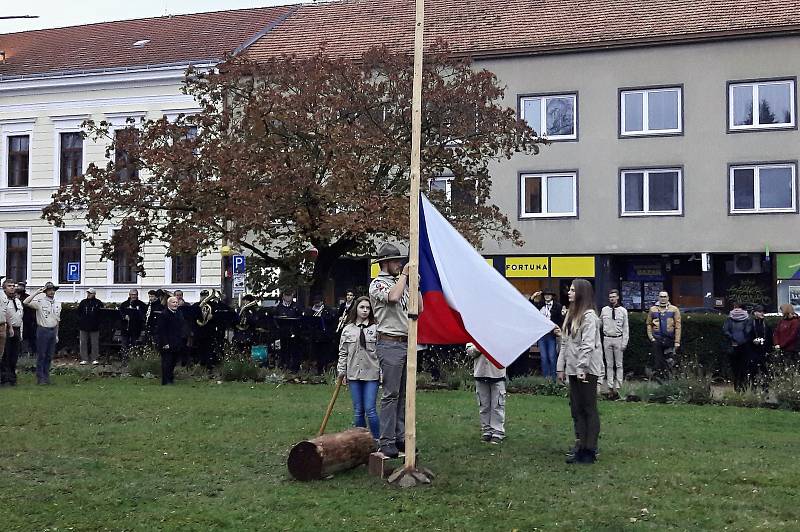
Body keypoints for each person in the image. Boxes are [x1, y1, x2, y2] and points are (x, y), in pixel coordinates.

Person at [369, 243, 422, 458]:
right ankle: (387, 440)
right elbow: (392, 297)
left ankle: (400, 437)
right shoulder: (377, 284)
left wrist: (416, 286)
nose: (400, 265)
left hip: (406, 341)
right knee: (391, 394)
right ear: (385, 263)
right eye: (396, 261)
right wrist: (404, 278)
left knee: (403, 394)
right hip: (389, 342)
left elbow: (419, 309)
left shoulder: (402, 283)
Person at [556, 279, 603, 465]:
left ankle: (589, 449)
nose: (569, 292)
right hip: (574, 369)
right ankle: (580, 444)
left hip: (587, 369)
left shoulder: (589, 316)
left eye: (573, 290)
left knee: (588, 408)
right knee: (576, 408)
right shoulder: (571, 313)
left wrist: (582, 367)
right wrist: (561, 367)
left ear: (582, 293)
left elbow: (588, 344)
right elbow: (565, 343)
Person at [337, 296, 380, 439]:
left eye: (368, 308)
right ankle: (361, 442)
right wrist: (341, 372)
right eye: (362, 307)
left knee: (370, 409)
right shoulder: (348, 329)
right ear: (356, 309)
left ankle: (377, 440)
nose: (365, 310)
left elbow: (381, 352)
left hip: (371, 373)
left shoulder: (376, 329)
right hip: (353, 374)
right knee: (358, 410)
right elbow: (343, 352)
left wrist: (382, 372)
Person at [23, 282, 62, 385]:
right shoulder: (40, 302)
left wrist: (57, 334)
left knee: (49, 355)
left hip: (53, 330)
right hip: (43, 330)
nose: (51, 291)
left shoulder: (58, 303)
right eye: (49, 290)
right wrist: (36, 293)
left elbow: (57, 320)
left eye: (53, 289)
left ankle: (46, 377)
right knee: (42, 355)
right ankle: (40, 378)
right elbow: (26, 302)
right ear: (45, 291)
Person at [469, 342, 506, 444]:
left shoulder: (499, 336)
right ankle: (486, 430)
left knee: (497, 404)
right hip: (480, 373)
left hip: (497, 373)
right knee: (483, 404)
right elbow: (470, 351)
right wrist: (481, 346)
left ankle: (498, 432)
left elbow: (505, 351)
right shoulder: (474, 334)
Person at [600, 288, 629, 399]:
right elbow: (599, 324)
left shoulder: (623, 311)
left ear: (618, 297)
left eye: (614, 297)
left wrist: (624, 342)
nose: (612, 299)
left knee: (619, 364)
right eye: (610, 297)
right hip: (607, 338)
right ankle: (610, 386)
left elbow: (626, 328)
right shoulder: (604, 310)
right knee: (609, 364)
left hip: (618, 338)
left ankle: (619, 385)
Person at [646, 291, 682, 380]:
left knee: (670, 361)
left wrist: (677, 341)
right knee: (658, 361)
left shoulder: (674, 309)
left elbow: (678, 326)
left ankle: (669, 379)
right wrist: (651, 337)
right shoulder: (653, 309)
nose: (663, 298)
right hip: (657, 339)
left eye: (665, 296)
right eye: (661, 296)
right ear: (658, 298)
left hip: (669, 339)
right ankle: (660, 380)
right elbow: (648, 324)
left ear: (668, 298)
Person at [530, 289, 564, 380]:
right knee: (544, 357)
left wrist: (558, 329)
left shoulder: (557, 306)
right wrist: (533, 296)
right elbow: (530, 307)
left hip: (551, 335)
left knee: (552, 356)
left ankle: (553, 379)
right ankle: (546, 379)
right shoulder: (540, 304)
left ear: (552, 296)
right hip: (542, 334)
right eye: (545, 295)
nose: (547, 296)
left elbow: (561, 319)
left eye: (549, 295)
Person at [155, 296, 189, 385]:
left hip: (176, 342)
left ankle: (171, 379)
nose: (175, 304)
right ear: (168, 304)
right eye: (173, 302)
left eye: (176, 303)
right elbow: (161, 330)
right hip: (166, 343)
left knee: (173, 362)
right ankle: (165, 381)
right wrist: (165, 343)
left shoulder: (179, 313)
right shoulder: (164, 314)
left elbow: (182, 326)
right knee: (167, 362)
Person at [722, 302, 754, 392]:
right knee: (743, 368)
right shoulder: (748, 318)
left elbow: (725, 330)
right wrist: (740, 340)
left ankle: (737, 388)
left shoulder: (730, 317)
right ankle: (743, 388)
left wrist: (733, 339)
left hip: (733, 345)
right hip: (744, 346)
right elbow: (748, 332)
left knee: (734, 369)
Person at [273, 288, 303, 371]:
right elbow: (275, 320)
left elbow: (301, 318)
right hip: (283, 333)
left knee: (294, 351)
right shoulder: (279, 307)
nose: (288, 298)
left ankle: (294, 368)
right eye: (286, 296)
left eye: (290, 296)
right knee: (283, 351)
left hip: (294, 333)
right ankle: (284, 366)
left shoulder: (297, 306)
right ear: (283, 296)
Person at [2, 278, 23, 386]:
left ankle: (12, 378)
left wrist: (21, 333)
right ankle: (5, 378)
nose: (12, 288)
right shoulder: (3, 301)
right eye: (9, 286)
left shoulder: (18, 301)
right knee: (6, 354)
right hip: (7, 328)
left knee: (14, 356)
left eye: (13, 286)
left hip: (17, 329)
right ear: (4, 288)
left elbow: (20, 317)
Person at [77, 288, 104, 365]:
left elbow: (102, 314)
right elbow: (78, 313)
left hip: (95, 327)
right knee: (83, 343)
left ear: (94, 294)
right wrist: (80, 321)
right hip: (83, 326)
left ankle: (94, 359)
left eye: (90, 293)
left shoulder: (98, 303)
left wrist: (98, 323)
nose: (89, 294)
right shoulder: (83, 302)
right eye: (88, 293)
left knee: (94, 343)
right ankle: (84, 359)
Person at [749, 305, 772, 388]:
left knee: (764, 370)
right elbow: (748, 335)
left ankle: (765, 388)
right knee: (753, 370)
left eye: (763, 311)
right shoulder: (751, 323)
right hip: (753, 350)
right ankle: (753, 388)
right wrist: (753, 341)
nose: (762, 313)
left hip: (764, 349)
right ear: (755, 313)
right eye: (760, 311)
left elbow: (770, 336)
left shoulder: (766, 323)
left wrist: (768, 349)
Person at [16, 282, 37, 358]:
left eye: (22, 286)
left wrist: (33, 320)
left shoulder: (27, 297)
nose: (20, 287)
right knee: (20, 338)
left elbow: (32, 309)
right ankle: (21, 353)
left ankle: (32, 353)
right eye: (19, 286)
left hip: (28, 321)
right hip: (17, 321)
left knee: (30, 338)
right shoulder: (14, 297)